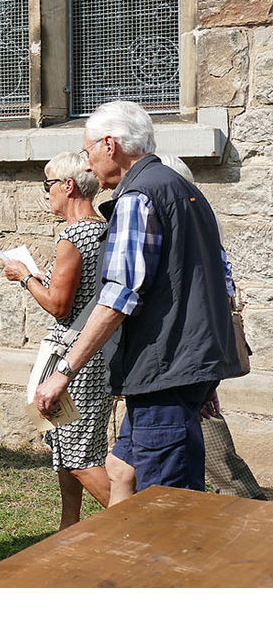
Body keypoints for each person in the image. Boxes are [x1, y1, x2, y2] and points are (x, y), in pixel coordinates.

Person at [34, 101, 240, 502]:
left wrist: (64, 372)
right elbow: (214, 282)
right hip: (184, 368)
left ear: (110, 145)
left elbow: (117, 298)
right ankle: (118, 558)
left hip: (164, 370)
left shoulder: (138, 196)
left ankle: (165, 563)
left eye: (89, 150)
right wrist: (202, 374)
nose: (89, 166)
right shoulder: (182, 188)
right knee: (119, 469)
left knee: (166, 501)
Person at [104, 154, 266, 501]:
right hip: (173, 369)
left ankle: (253, 529)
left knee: (192, 483)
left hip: (176, 368)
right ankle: (120, 548)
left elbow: (219, 296)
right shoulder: (185, 220)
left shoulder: (176, 217)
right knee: (123, 468)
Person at [2, 151, 111, 528]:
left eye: (48, 185)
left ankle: (143, 521)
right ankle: (69, 529)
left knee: (80, 455)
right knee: (67, 445)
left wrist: (25, 277)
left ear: (68, 186)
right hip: (98, 350)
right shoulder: (104, 228)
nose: (46, 193)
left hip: (75, 357)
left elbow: (59, 305)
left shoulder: (74, 236)